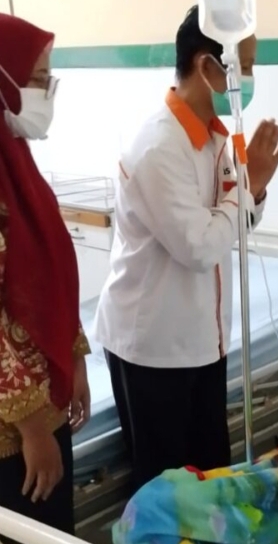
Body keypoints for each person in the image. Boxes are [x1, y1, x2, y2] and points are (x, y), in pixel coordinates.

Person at [94, 4, 278, 491]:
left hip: (205, 341)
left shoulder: (219, 138)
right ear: (207, 66)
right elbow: (200, 248)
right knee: (166, 493)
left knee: (212, 480)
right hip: (154, 349)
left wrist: (256, 188)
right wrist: (248, 186)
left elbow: (236, 222)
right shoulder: (157, 148)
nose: (251, 79)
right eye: (246, 66)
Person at [0, 13, 91, 540]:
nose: (46, 91)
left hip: (48, 403)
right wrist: (32, 425)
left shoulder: (18, 161)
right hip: (12, 432)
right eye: (37, 79)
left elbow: (55, 270)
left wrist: (74, 357)